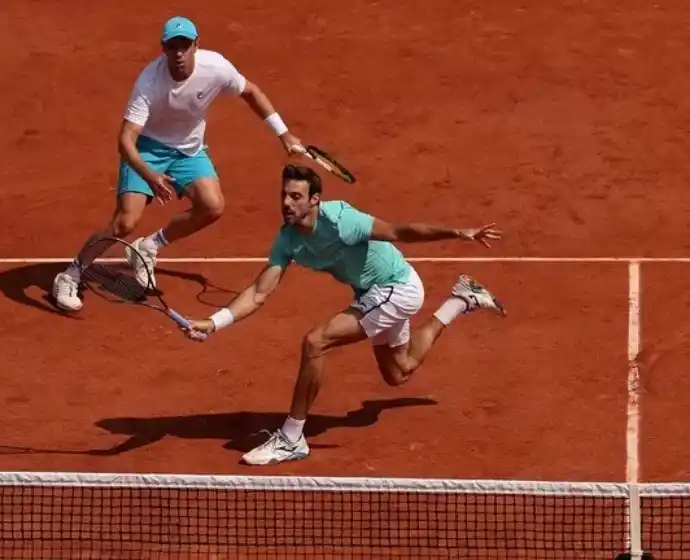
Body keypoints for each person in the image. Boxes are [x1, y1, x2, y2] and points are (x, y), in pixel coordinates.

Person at [182, 164, 507, 466]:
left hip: (395, 288)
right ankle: (461, 299)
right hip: (372, 292)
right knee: (399, 372)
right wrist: (214, 322)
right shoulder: (288, 239)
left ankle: (292, 438)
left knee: (316, 342)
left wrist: (457, 232)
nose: (286, 203)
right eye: (284, 195)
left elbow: (398, 231)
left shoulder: (341, 221)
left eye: (296, 196)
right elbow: (258, 292)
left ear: (314, 200)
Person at [52, 16, 302, 311]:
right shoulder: (149, 83)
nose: (179, 53)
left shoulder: (216, 67)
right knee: (125, 222)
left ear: (196, 45)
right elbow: (125, 141)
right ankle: (71, 274)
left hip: (189, 150)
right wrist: (150, 175)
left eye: (185, 45)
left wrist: (283, 133)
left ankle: (150, 246)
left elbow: (251, 92)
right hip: (147, 150)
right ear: (164, 49)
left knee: (212, 206)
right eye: (173, 47)